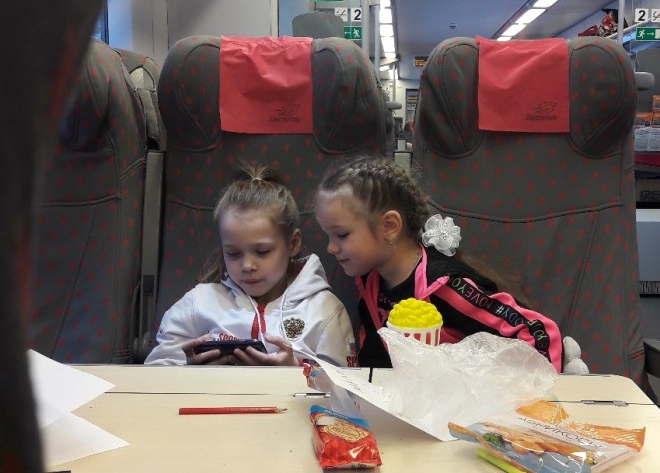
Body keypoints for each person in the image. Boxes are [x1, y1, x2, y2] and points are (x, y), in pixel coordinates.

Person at [314, 155, 582, 371]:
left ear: (390, 226)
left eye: (341, 235)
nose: (331, 247)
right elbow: (376, 356)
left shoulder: (446, 287)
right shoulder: (371, 283)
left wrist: (533, 399)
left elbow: (539, 333)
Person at [146, 163, 355, 367]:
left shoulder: (324, 311)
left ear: (293, 244)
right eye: (233, 253)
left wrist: (294, 370)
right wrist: (188, 369)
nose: (247, 265)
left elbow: (347, 385)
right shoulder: (198, 303)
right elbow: (154, 373)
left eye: (262, 252)